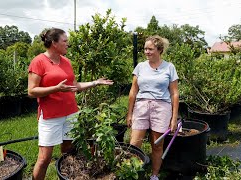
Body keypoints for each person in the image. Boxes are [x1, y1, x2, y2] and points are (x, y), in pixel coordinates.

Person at [27, 28, 113, 180]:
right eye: (65, 41)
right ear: (54, 43)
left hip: (71, 113)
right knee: (44, 158)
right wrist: (56, 88)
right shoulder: (39, 61)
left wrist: (95, 83)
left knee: (68, 150)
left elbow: (75, 86)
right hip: (50, 116)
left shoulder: (66, 61)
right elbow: (31, 91)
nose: (68, 44)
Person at [126, 35, 179, 180]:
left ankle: (154, 175)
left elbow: (174, 93)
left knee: (156, 145)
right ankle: (131, 173)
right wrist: (129, 113)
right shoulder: (140, 67)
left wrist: (174, 118)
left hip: (161, 107)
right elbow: (133, 91)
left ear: (160, 50)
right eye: (145, 49)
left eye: (150, 49)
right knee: (134, 143)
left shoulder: (169, 67)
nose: (147, 52)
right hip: (141, 106)